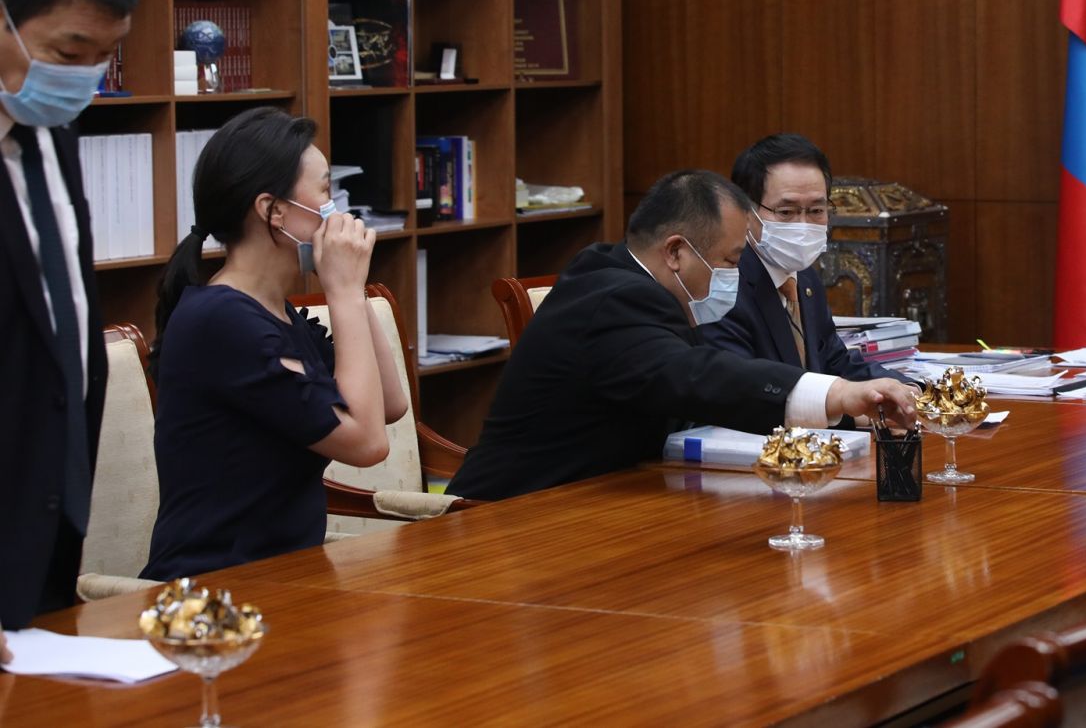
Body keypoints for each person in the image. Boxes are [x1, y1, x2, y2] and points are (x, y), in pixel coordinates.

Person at [447, 169, 919, 499]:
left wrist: (845, 409)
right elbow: (697, 376)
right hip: (508, 518)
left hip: (602, 501)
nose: (737, 275)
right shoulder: (614, 297)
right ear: (676, 252)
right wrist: (835, 393)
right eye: (731, 261)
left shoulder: (639, 286)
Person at [141, 107, 409, 580]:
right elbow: (367, 444)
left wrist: (349, 285)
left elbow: (390, 403)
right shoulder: (220, 320)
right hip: (217, 589)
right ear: (273, 211)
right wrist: (344, 292)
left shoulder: (277, 313)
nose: (338, 209)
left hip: (290, 579)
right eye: (325, 191)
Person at [0, 0, 138, 661]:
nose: (84, 77)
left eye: (104, 56)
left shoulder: (54, 135)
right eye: (69, 51)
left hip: (51, 523)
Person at [700, 134, 878, 382]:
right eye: (786, 212)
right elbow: (745, 386)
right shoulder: (721, 289)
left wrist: (914, 389)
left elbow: (837, 363)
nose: (803, 225)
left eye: (816, 210)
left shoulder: (805, 279)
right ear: (745, 212)